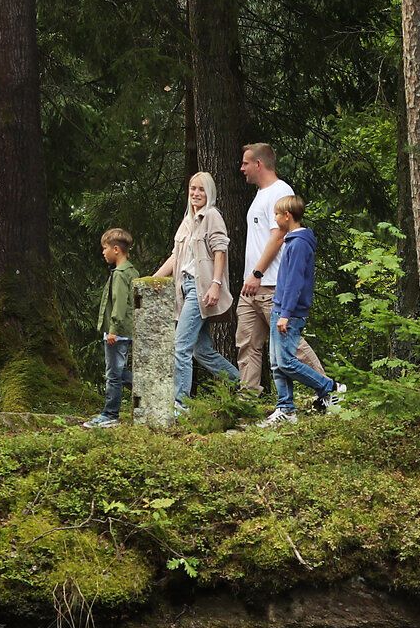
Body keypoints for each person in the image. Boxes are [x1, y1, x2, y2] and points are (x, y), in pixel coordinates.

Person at [236, 144, 327, 395]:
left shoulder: (280, 191)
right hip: (251, 286)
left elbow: (277, 238)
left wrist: (257, 273)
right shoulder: (261, 194)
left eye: (245, 163)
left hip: (270, 283)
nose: (241, 168)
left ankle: (328, 390)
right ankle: (248, 397)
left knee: (290, 346)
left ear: (259, 164)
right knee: (247, 343)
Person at [148, 172, 241, 412]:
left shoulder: (211, 215)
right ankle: (242, 384)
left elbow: (220, 251)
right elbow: (175, 257)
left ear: (209, 192)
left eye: (201, 189)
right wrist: (152, 279)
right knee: (201, 350)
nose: (196, 193)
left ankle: (181, 404)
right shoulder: (188, 221)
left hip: (201, 289)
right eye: (192, 188)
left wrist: (215, 284)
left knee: (180, 347)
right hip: (184, 288)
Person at [260, 195, 344, 428]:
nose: (275, 218)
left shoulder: (298, 244)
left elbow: (295, 282)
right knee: (277, 363)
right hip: (280, 307)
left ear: (287, 216)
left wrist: (286, 313)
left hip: (289, 312)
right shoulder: (292, 241)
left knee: (286, 362)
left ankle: (330, 387)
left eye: (277, 214)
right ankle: (285, 408)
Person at [81, 229, 138, 428]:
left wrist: (113, 329)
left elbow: (120, 303)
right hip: (125, 330)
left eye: (105, 249)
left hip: (118, 332)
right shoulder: (131, 271)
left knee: (113, 375)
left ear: (116, 249)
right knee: (118, 372)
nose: (103, 253)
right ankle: (145, 387)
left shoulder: (121, 274)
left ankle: (110, 415)